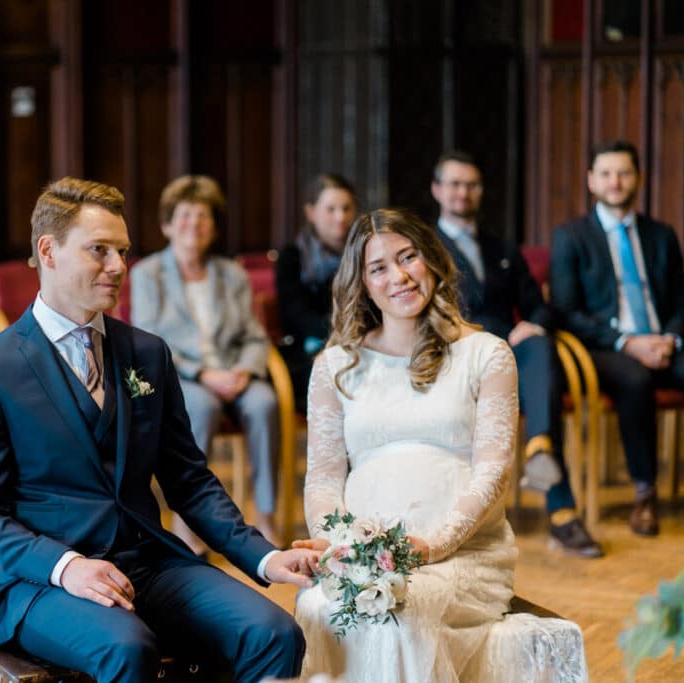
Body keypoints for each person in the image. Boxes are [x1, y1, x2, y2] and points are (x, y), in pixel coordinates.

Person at [0, 177, 319, 683]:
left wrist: (266, 556)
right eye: (99, 250)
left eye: (122, 251)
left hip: (149, 563)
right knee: (128, 649)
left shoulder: (146, 353)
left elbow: (189, 480)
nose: (119, 266)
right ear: (48, 251)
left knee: (272, 633)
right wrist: (67, 567)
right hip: (44, 585)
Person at [292, 209, 586, 682]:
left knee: (400, 615)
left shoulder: (487, 354)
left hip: (461, 555)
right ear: (363, 283)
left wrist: (433, 546)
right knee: (320, 606)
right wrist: (338, 545)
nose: (400, 276)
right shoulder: (334, 365)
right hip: (364, 556)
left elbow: (493, 470)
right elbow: (325, 475)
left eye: (409, 257)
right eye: (379, 267)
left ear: (431, 259)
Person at [430, 150, 601, 557]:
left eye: (471, 184)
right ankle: (470, 519)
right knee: (523, 358)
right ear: (437, 190)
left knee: (541, 343)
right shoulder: (423, 247)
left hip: (509, 350)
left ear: (481, 191)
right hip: (453, 354)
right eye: (454, 183)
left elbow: (539, 304)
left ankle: (545, 460)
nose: (463, 192)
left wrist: (533, 323)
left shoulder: (500, 246)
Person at [131, 175, 282, 548]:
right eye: (184, 216)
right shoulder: (147, 274)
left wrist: (245, 370)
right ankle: (186, 521)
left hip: (234, 370)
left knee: (265, 402)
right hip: (179, 375)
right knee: (201, 403)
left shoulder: (232, 275)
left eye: (202, 216)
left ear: (213, 226)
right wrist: (203, 373)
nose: (193, 224)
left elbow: (254, 335)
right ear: (166, 224)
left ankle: (265, 515)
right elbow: (149, 338)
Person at [550, 140, 684, 537]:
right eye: (606, 173)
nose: (615, 181)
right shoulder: (571, 236)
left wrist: (671, 339)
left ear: (638, 179)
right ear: (592, 181)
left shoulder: (662, 235)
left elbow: (681, 299)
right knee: (636, 380)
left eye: (624, 172)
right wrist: (629, 342)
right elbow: (566, 312)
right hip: (606, 348)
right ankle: (645, 494)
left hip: (664, 343)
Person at [276, 173, 359, 414]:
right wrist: (341, 337)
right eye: (330, 209)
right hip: (308, 347)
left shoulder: (364, 253)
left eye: (346, 208)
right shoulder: (293, 255)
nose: (340, 217)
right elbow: (294, 316)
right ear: (311, 212)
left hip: (359, 341)